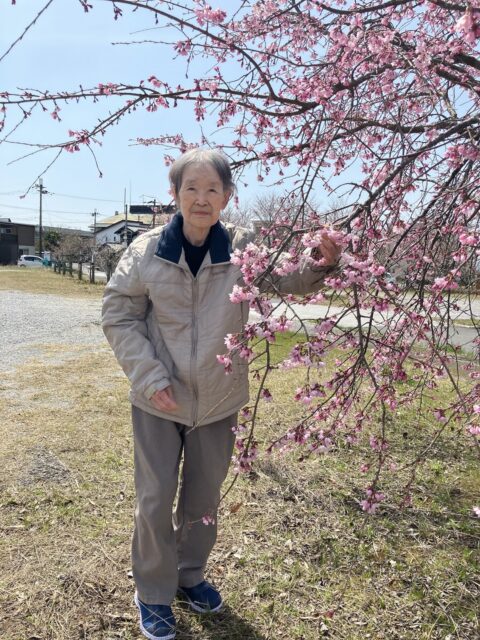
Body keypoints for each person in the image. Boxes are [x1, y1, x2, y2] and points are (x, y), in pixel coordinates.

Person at [101, 148, 341, 640]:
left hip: (217, 399)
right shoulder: (145, 252)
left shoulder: (241, 248)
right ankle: (153, 592)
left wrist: (321, 261)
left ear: (227, 196)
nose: (202, 198)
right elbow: (119, 315)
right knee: (154, 498)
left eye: (213, 189)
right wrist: (149, 376)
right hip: (158, 399)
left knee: (203, 497)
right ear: (174, 194)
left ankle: (189, 576)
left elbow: (288, 277)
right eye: (191, 188)